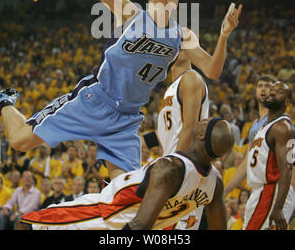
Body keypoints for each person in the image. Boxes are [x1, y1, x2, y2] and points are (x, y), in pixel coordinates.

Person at [0, 0, 242, 181]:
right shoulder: (131, 13)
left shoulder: (182, 35)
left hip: (126, 118)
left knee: (123, 191)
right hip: (94, 100)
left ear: (177, 0)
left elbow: (212, 70)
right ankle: (4, 101)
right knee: (18, 142)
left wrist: (223, 36)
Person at [18, 117, 234, 230]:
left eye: (206, 122)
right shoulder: (215, 183)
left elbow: (140, 226)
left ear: (201, 134)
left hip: (106, 212)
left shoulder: (171, 168)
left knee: (26, 223)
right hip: (125, 207)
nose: (201, 120)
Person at [155, 49, 209, 230]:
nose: (180, 47)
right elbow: (165, 133)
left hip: (187, 169)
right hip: (174, 166)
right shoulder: (171, 89)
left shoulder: (191, 77)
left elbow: (190, 127)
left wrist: (175, 165)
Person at [243, 81, 295, 230]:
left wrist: (278, 208)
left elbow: (287, 168)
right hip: (261, 192)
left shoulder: (283, 127)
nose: (272, 92)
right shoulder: (267, 125)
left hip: (272, 192)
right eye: (272, 89)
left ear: (287, 102)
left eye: (278, 91)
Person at [224, 75, 276, 198]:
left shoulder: (279, 121)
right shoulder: (254, 125)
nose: (263, 89)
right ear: (256, 92)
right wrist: (226, 190)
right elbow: (245, 164)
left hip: (272, 187)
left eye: (268, 86)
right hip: (256, 189)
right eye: (260, 86)